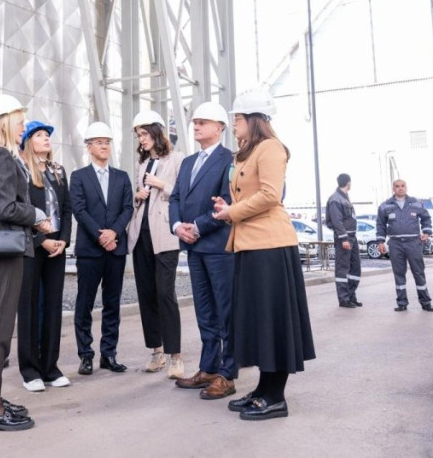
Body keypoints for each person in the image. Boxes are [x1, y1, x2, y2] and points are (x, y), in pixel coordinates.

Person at [212, 87, 316, 420]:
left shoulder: (271, 147)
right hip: (250, 245)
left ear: (254, 119)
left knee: (273, 320)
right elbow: (249, 195)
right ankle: (263, 389)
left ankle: (276, 397)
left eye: (238, 118)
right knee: (260, 322)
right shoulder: (247, 152)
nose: (234, 124)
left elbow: (271, 195)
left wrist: (232, 212)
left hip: (271, 246)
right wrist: (228, 206)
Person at [0, 94, 51, 432]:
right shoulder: (1, 156)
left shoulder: (1, 156)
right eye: (19, 120)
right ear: (5, 122)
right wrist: (37, 215)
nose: (24, 125)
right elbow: (5, 209)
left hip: (4, 250)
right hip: (2, 252)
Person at [168, 101, 237, 401]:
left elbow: (226, 202)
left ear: (220, 127)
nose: (196, 126)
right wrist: (176, 227)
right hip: (194, 249)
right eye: (194, 121)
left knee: (226, 311)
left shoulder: (228, 160)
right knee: (204, 311)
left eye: (203, 122)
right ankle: (209, 368)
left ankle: (228, 373)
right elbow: (175, 198)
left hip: (219, 247)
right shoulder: (187, 162)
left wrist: (195, 227)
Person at [69, 121, 134, 376]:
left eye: (107, 142)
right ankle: (85, 354)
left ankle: (109, 354)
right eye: (99, 142)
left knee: (112, 303)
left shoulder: (122, 177)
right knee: (84, 303)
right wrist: (101, 236)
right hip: (90, 250)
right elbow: (79, 210)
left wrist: (114, 233)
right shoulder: (79, 177)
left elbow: (127, 208)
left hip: (115, 249)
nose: (105, 146)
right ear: (89, 147)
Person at [127, 109, 185, 378]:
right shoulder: (142, 164)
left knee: (165, 294)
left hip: (165, 236)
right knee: (147, 294)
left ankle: (176, 357)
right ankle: (156, 352)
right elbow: (141, 200)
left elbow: (182, 195)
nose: (141, 139)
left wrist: (162, 184)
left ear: (156, 132)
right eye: (138, 135)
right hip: (141, 235)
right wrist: (137, 195)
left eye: (144, 133)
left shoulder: (177, 159)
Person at [17, 120, 73, 391]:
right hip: (31, 247)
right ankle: (30, 370)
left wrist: (63, 240)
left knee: (52, 305)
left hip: (57, 247)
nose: (46, 138)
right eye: (39, 135)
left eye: (47, 135)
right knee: (29, 305)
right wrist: (42, 240)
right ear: (28, 142)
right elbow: (20, 211)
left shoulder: (58, 170)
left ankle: (50, 367)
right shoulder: (22, 171)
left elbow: (67, 208)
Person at [376, 179, 433, 312]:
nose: (400, 188)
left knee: (418, 272)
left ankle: (426, 302)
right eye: (397, 186)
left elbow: (426, 218)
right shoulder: (385, 206)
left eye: (403, 186)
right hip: (395, 244)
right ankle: (402, 303)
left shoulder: (416, 203)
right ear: (393, 188)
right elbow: (380, 224)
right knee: (399, 274)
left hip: (413, 242)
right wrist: (380, 241)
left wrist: (426, 232)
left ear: (406, 187)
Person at [326, 173, 361, 308]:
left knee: (355, 268)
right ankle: (344, 299)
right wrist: (343, 238)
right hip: (344, 239)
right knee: (342, 269)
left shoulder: (345, 197)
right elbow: (337, 221)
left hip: (352, 237)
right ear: (349, 182)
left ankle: (351, 295)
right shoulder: (335, 199)